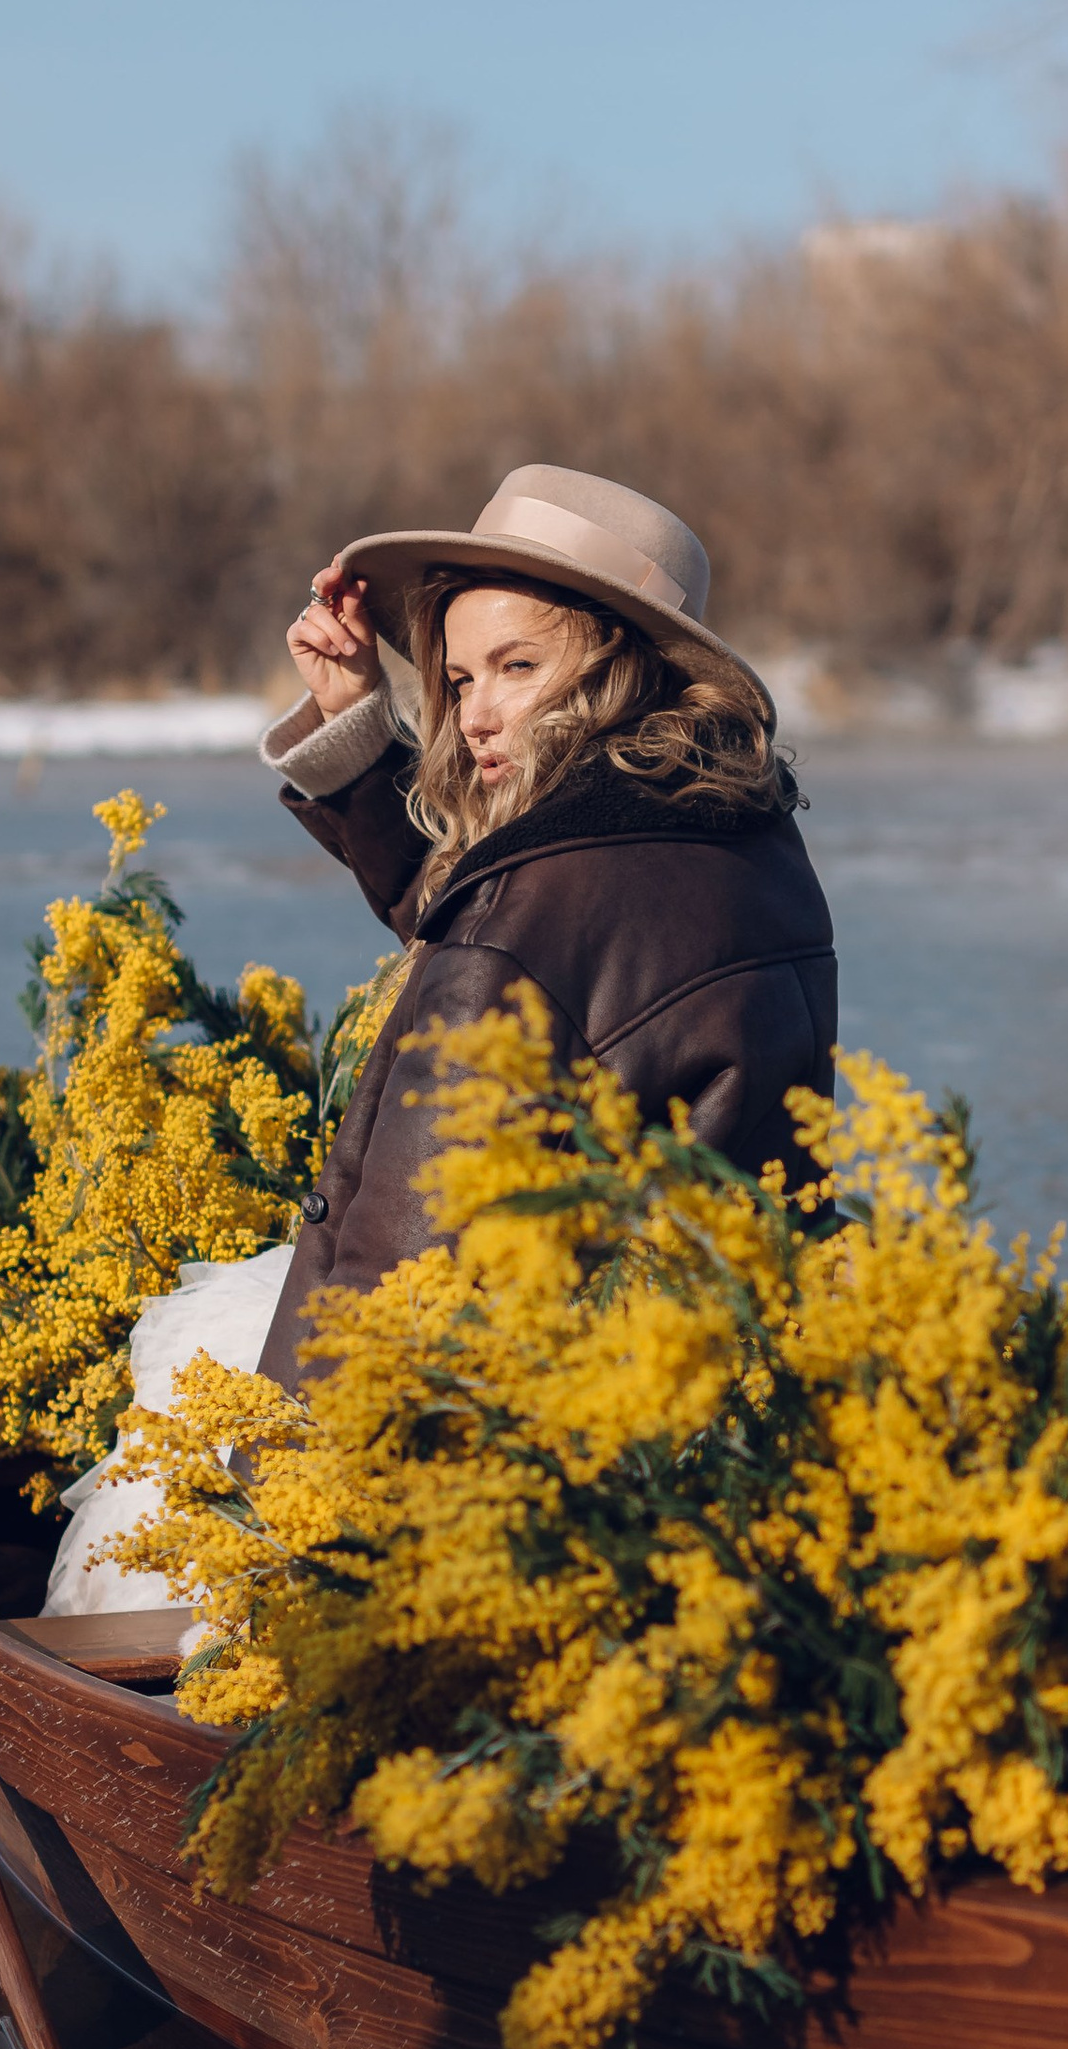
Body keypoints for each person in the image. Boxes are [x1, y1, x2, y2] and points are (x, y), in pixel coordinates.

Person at [252, 460, 838, 1394]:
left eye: (517, 667)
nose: (473, 715)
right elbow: (512, 936)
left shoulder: (530, 919)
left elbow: (405, 1272)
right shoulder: (745, 835)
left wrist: (296, 1487)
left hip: (524, 1451)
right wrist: (358, 724)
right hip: (715, 1399)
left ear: (622, 666)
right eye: (456, 676)